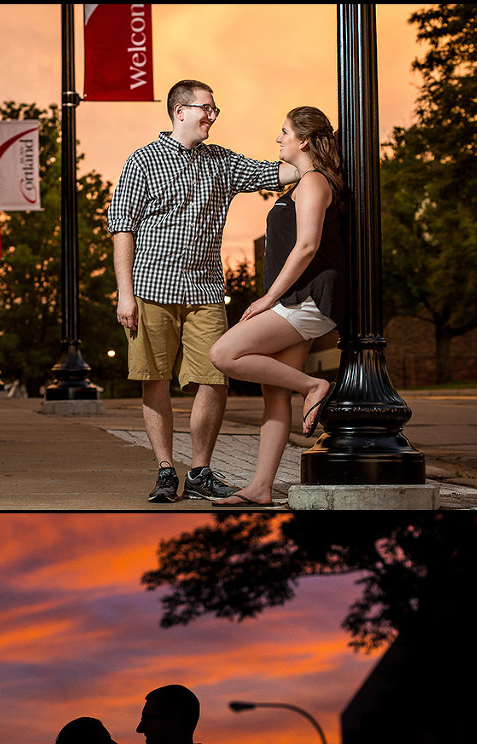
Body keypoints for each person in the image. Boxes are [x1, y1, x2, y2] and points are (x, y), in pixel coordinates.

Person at [108, 80, 300, 504]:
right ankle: (164, 470)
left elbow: (276, 172)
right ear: (180, 111)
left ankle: (199, 470)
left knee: (215, 377)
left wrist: (313, 157)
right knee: (153, 379)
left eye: (215, 108)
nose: (213, 114)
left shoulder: (222, 161)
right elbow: (122, 227)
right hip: (150, 288)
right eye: (206, 108)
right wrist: (125, 293)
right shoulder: (142, 161)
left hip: (206, 290)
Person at [208, 106, 346, 507]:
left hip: (304, 299)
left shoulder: (315, 182)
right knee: (273, 393)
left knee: (224, 353)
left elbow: (307, 246)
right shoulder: (303, 182)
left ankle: (315, 386)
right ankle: (261, 487)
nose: (278, 138)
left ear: (303, 140)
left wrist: (268, 299)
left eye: (284, 131)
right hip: (293, 299)